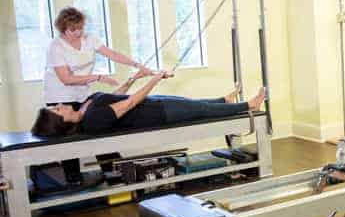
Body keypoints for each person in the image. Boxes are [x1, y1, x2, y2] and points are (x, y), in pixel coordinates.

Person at [42, 6, 154, 182]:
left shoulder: (89, 39)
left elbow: (112, 54)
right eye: (73, 30)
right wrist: (99, 77)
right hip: (59, 97)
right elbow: (66, 79)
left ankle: (115, 173)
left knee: (100, 129)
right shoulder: (55, 46)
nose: (78, 32)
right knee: (70, 140)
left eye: (80, 28)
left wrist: (137, 65)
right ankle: (74, 180)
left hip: (82, 94)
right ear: (63, 29)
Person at [31, 67, 266, 137]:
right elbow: (131, 103)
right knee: (200, 110)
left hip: (154, 103)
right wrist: (155, 78)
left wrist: (135, 77)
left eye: (55, 106)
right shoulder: (92, 120)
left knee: (195, 104)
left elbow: (118, 95)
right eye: (56, 110)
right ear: (62, 121)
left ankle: (224, 99)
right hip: (157, 113)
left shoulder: (84, 108)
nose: (58, 105)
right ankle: (249, 106)